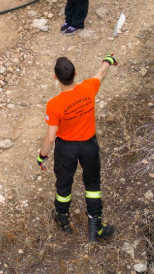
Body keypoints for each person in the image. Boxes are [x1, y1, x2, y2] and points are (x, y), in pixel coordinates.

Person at [37, 54, 118, 242]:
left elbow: (50, 137)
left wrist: (42, 156)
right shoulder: (88, 88)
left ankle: (62, 217)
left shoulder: (54, 105)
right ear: (75, 74)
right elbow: (101, 73)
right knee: (92, 184)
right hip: (89, 146)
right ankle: (95, 226)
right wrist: (108, 60)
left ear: (55, 77)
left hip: (66, 149)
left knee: (64, 182)